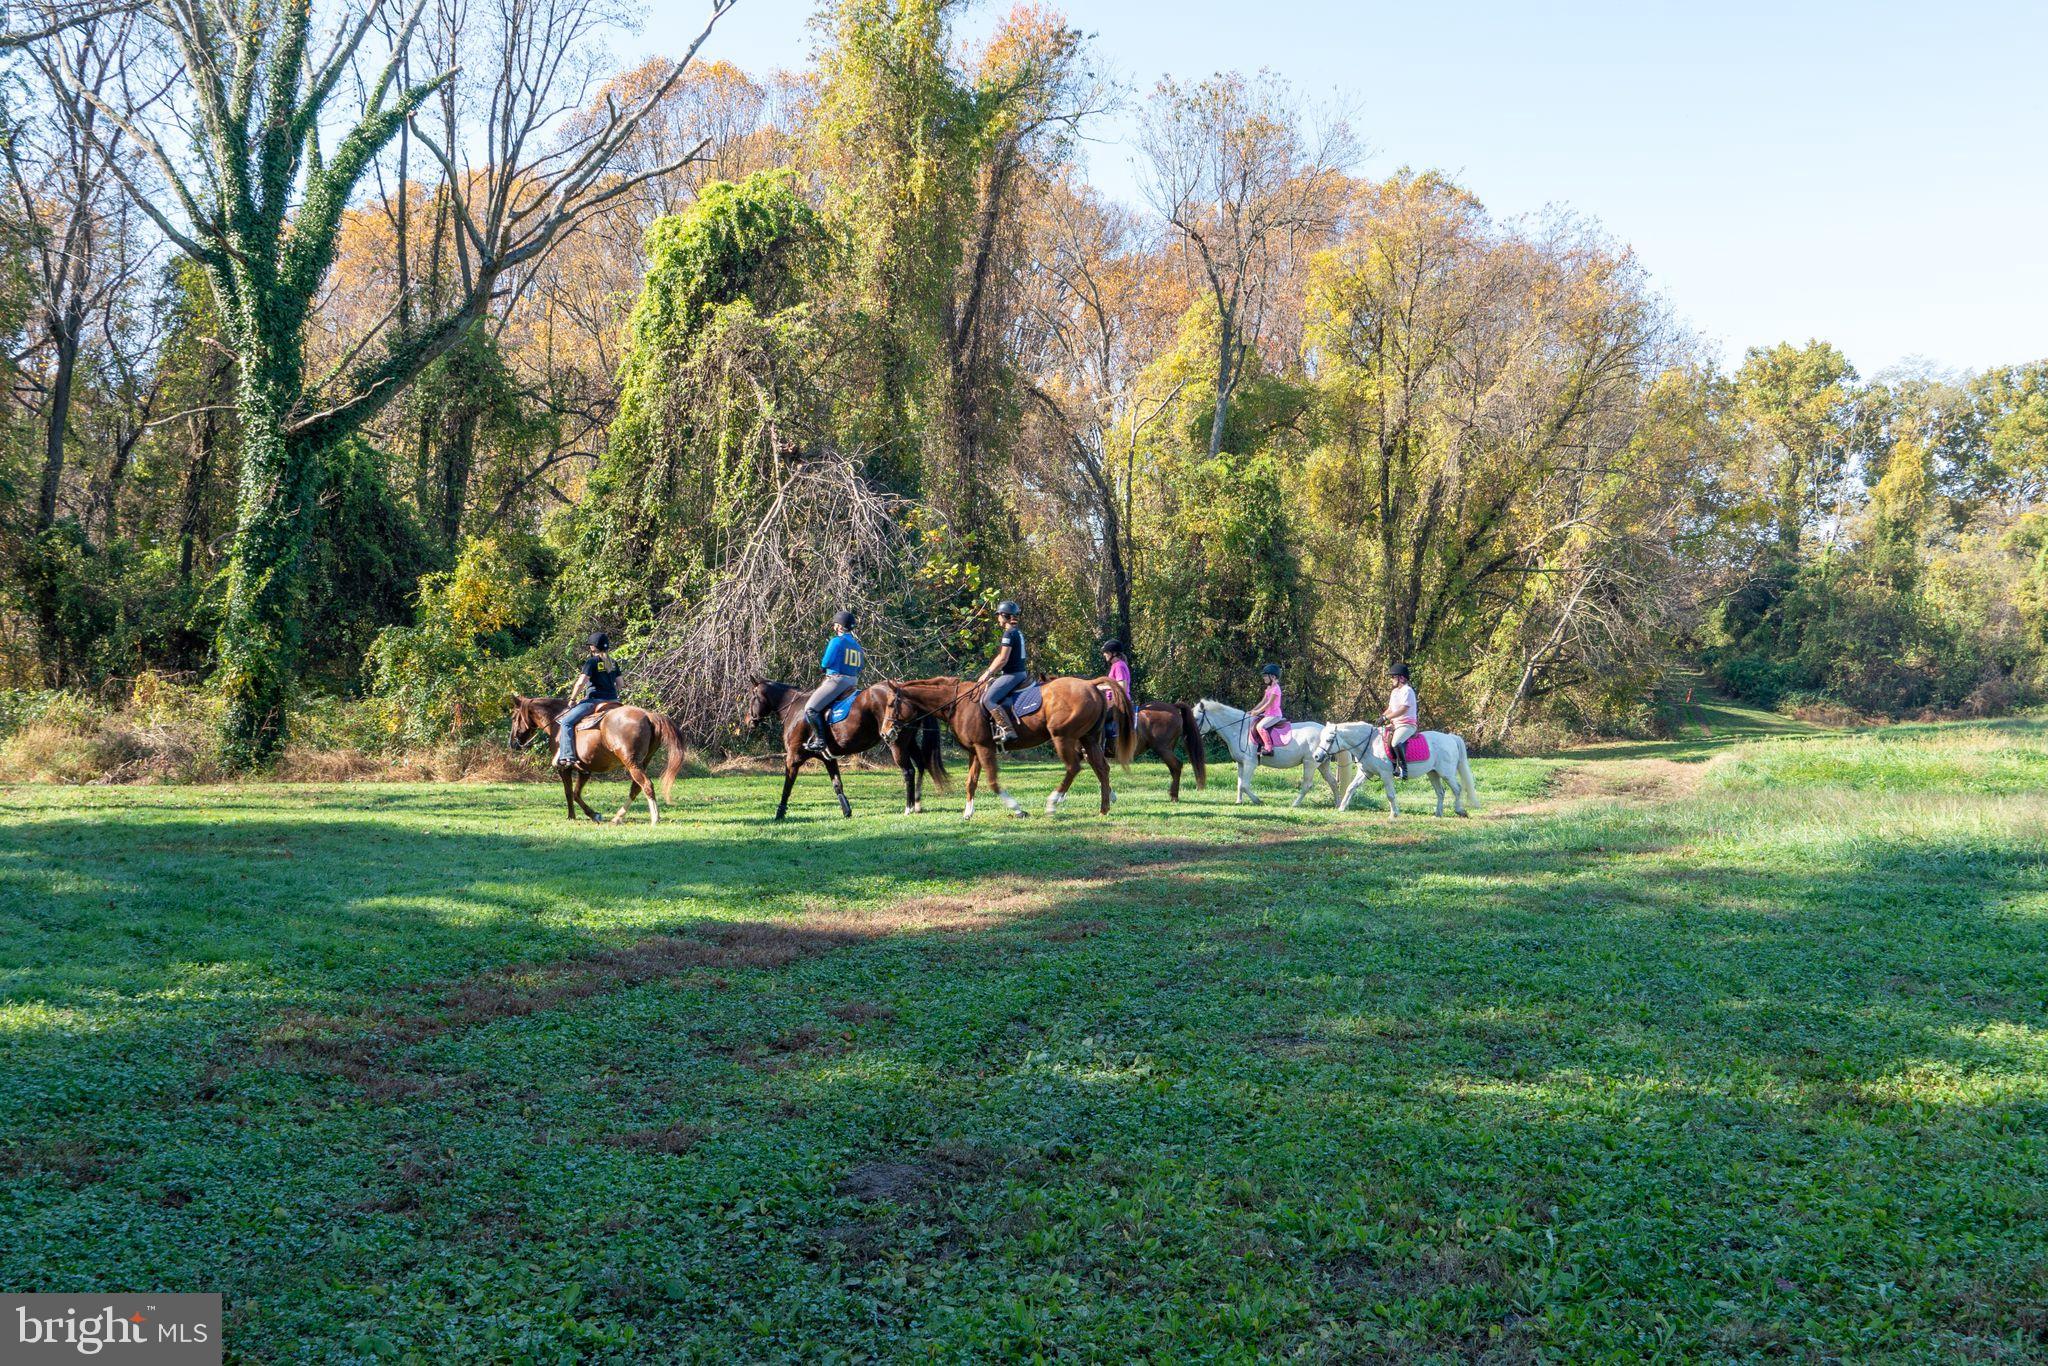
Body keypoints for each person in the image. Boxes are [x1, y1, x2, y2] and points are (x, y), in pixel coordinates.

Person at [802, 610, 864, 754]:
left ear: (840, 627)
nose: (834, 627)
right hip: (852, 682)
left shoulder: (836, 641)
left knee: (810, 708)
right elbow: (860, 666)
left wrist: (823, 668)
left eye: (835, 625)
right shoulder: (857, 645)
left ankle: (820, 741)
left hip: (837, 681)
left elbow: (826, 662)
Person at [555, 632, 621, 768]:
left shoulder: (592, 662)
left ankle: (568, 756)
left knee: (566, 722)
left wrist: (573, 699)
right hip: (614, 701)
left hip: (595, 701)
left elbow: (581, 683)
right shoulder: (613, 663)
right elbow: (621, 684)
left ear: (592, 647)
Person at [977, 600, 1030, 741]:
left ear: (1003, 615)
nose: (997, 618)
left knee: (989, 699)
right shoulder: (1016, 632)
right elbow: (1000, 657)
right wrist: (990, 671)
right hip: (1020, 673)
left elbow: (1003, 659)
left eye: (998, 615)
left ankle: (1007, 730)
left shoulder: (1009, 634)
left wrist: (987, 673)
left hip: (1013, 675)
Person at [1381, 662, 1419, 778]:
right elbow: (1390, 709)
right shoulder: (1394, 692)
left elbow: (1403, 709)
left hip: (1407, 725)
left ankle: (1404, 770)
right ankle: (1391, 766)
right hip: (1395, 724)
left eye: (1393, 677)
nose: (1392, 679)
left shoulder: (1407, 690)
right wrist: (1382, 717)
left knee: (1395, 742)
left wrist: (1386, 717)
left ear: (1401, 678)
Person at [1100, 638, 1133, 742]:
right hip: (1113, 701)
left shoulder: (1118, 665)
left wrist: (1102, 687)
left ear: (1113, 653)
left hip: (1118, 702)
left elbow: (1122, 686)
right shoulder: (1116, 665)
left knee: (1098, 717)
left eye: (1106, 652)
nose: (1104, 654)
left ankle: (1101, 746)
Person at [1249, 663, 1284, 756]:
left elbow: (1269, 704)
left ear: (1272, 676)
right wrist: (1252, 710)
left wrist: (1257, 712)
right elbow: (1263, 701)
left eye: (1265, 676)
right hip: (1268, 714)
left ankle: (1269, 748)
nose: (1264, 678)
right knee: (1254, 722)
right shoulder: (1269, 688)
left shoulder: (1276, 689)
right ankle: (1258, 746)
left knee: (1260, 726)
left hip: (1275, 715)